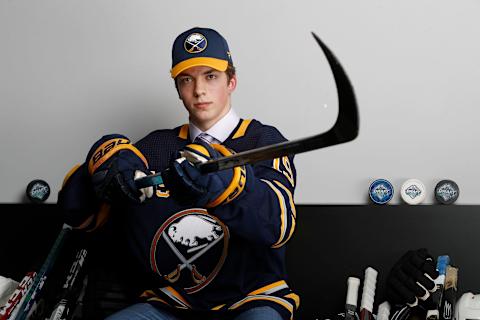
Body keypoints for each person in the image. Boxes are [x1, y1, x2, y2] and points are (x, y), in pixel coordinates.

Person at [58, 27, 298, 320]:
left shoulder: (263, 140)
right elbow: (80, 215)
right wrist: (101, 164)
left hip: (252, 299)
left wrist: (226, 182)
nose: (199, 90)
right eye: (187, 79)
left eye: (211, 76)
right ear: (178, 89)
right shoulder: (155, 146)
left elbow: (278, 225)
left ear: (231, 81)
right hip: (170, 304)